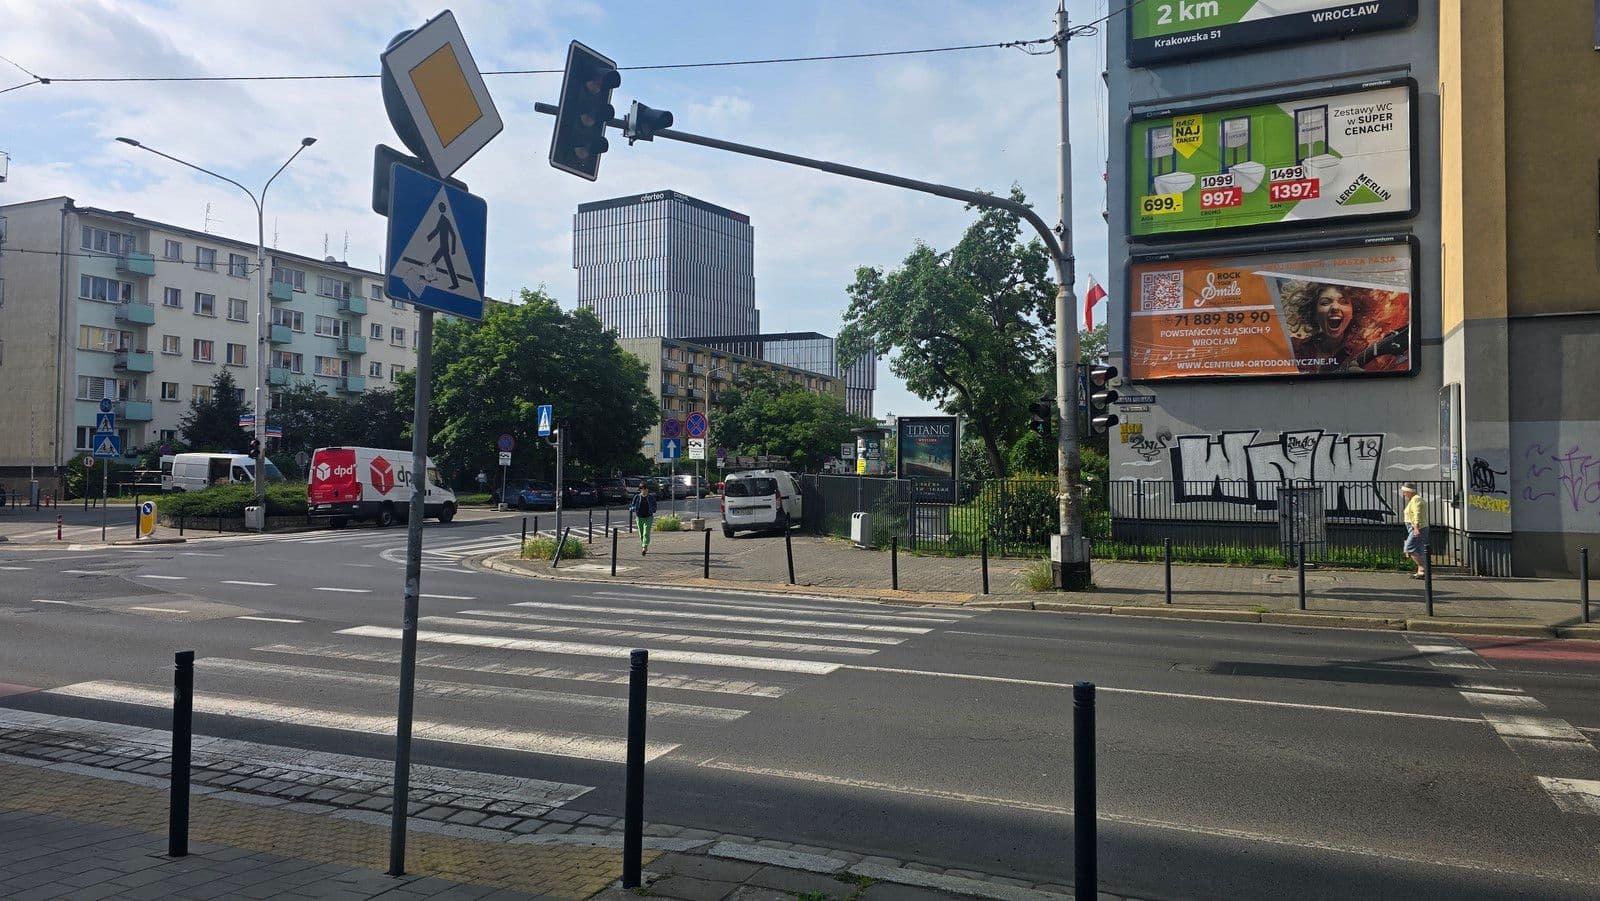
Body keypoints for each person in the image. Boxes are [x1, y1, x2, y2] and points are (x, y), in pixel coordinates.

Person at [1284, 282, 1357, 372]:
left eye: (1343, 302)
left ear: (1354, 311)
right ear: (1314, 313)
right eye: (1325, 302)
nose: (1335, 307)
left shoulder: (1360, 351)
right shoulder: (1292, 347)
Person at [1401, 483, 1428, 578]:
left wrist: (1416, 527)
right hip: (1416, 527)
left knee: (1409, 548)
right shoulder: (1414, 499)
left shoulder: (1416, 499)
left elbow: (1417, 514)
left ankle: (1422, 568)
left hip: (1416, 528)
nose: (1403, 494)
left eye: (1404, 491)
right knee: (1419, 549)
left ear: (1409, 491)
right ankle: (1421, 572)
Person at [630, 484, 658, 555]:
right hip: (639, 517)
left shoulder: (651, 497)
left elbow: (655, 505)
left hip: (648, 517)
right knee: (641, 533)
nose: (645, 491)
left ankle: (644, 547)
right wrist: (633, 509)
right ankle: (644, 545)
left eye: (646, 489)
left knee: (646, 532)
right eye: (643, 489)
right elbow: (632, 505)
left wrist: (653, 510)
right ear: (640, 490)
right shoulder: (637, 497)